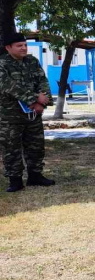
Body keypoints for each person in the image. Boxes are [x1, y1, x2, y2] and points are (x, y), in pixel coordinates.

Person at [0, 33, 55, 192]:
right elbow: (8, 86)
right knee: (11, 148)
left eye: (25, 45)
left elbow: (43, 81)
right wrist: (34, 99)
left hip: (33, 114)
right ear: (8, 47)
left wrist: (43, 103)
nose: (24, 48)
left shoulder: (32, 61)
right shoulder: (2, 64)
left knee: (36, 145)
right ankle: (15, 180)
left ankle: (35, 175)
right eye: (19, 46)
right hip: (10, 115)